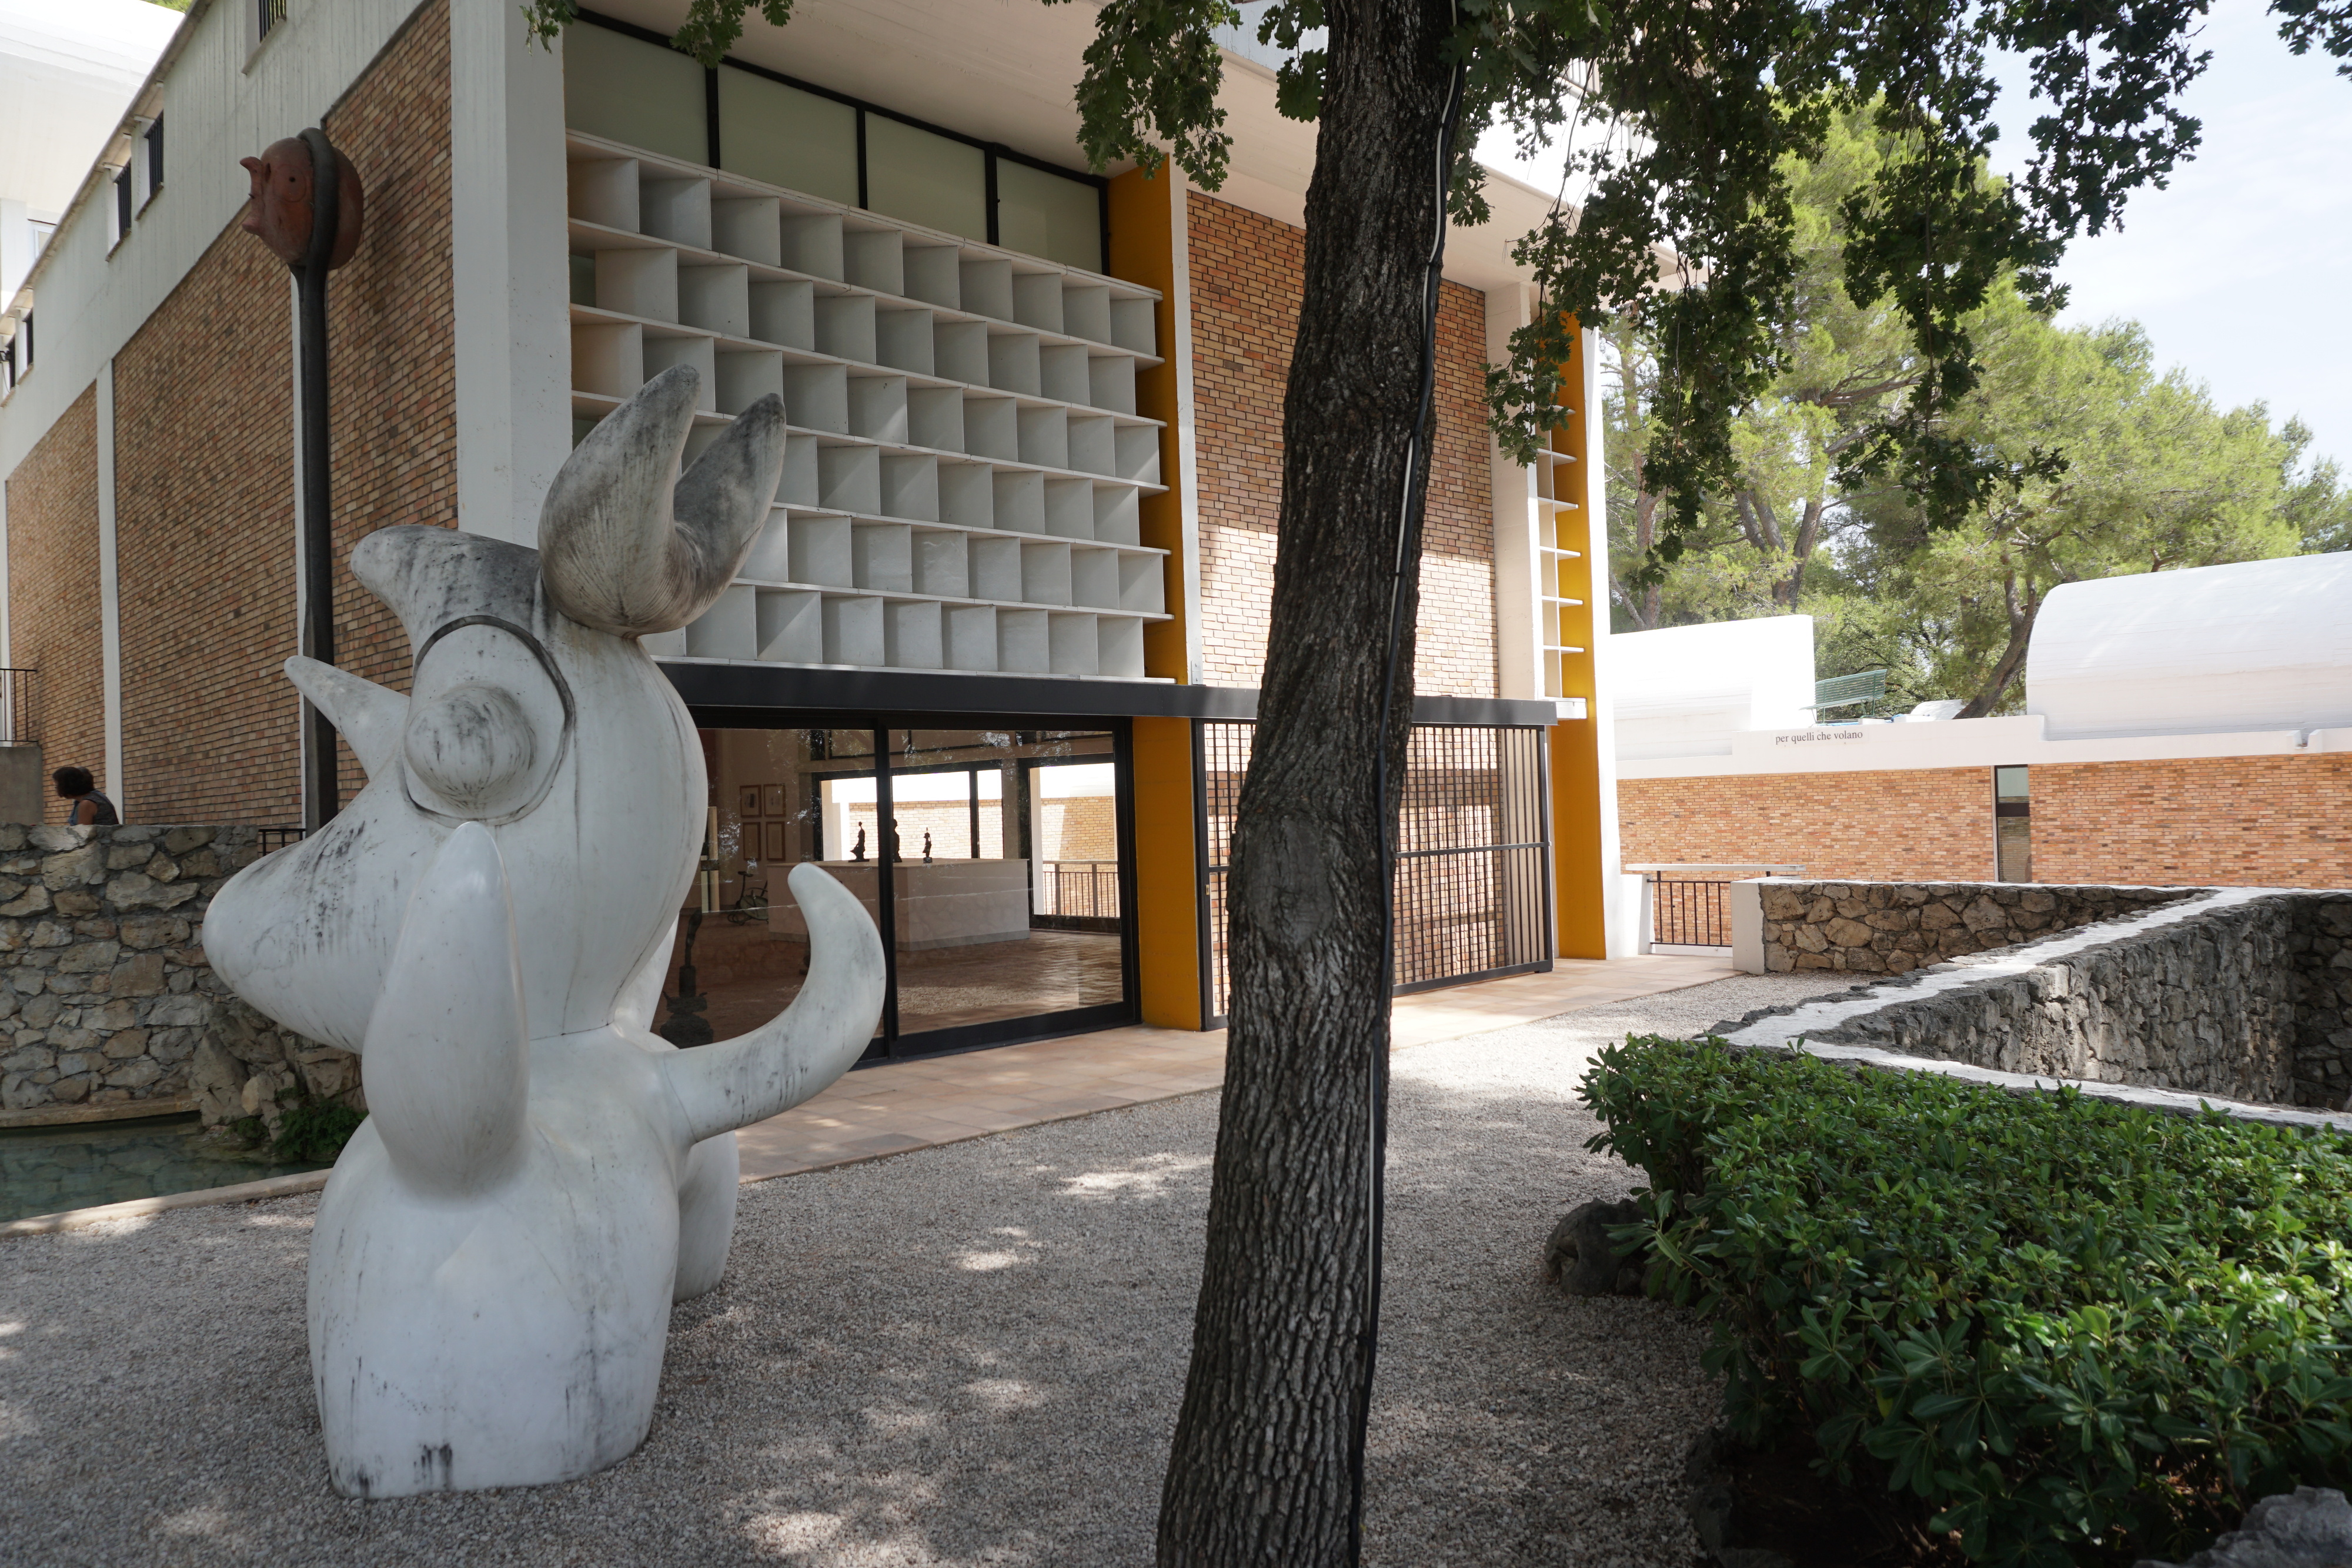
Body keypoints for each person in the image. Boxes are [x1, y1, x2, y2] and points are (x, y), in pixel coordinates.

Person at [53, 766, 119, 825]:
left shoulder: (87, 803)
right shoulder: (95, 796)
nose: (56, 788)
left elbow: (82, 834)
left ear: (67, 786)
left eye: (57, 785)